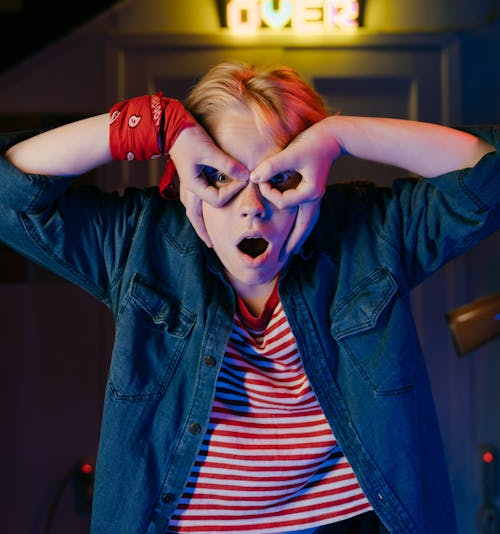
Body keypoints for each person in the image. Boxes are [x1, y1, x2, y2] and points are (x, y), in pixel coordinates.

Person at [0, 59, 499, 534]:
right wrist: (148, 126)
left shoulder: (373, 232)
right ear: (185, 182)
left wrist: (339, 135)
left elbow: (489, 179)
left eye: (279, 178)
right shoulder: (140, 242)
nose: (252, 210)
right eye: (220, 177)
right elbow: (8, 198)